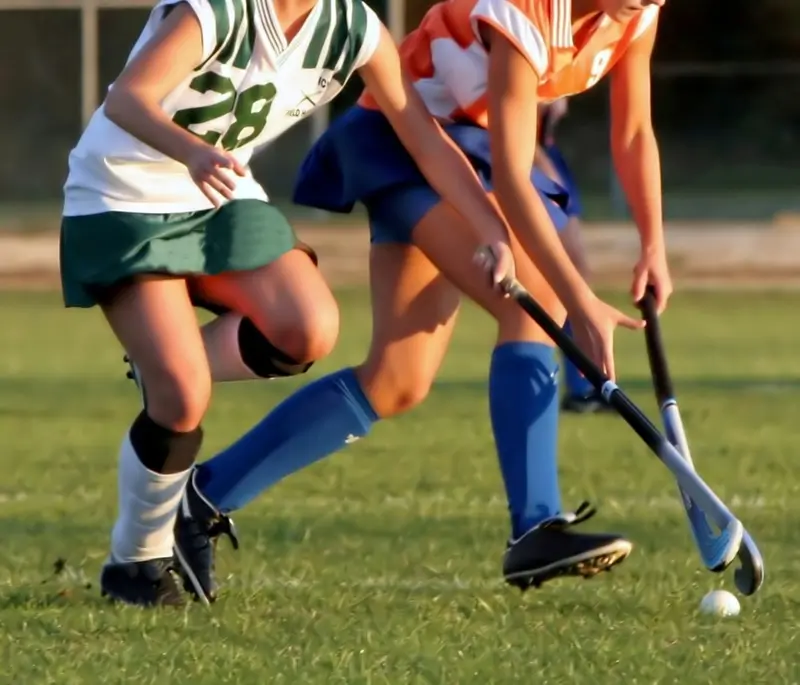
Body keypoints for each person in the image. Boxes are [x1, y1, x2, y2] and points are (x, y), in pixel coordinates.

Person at [138, 0, 675, 605]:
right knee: (537, 303)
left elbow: (633, 131)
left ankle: (202, 497)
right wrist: (579, 300)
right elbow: (515, 170)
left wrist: (653, 244)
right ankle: (535, 526)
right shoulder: (524, 14)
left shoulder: (637, 15)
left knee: (397, 381)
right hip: (406, 146)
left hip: (461, 158)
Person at [60, 0, 527, 608]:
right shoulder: (218, 11)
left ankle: (166, 361)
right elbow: (126, 99)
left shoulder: (355, 27)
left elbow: (426, 141)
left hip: (218, 198)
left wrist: (491, 228)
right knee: (182, 398)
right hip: (122, 195)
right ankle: (136, 562)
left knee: (308, 328)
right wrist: (194, 151)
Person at [536, 98, 612, 413]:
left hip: (547, 159)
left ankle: (586, 385)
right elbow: (513, 121)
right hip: (533, 161)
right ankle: (582, 387)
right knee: (571, 275)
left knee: (575, 274)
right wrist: (545, 170)